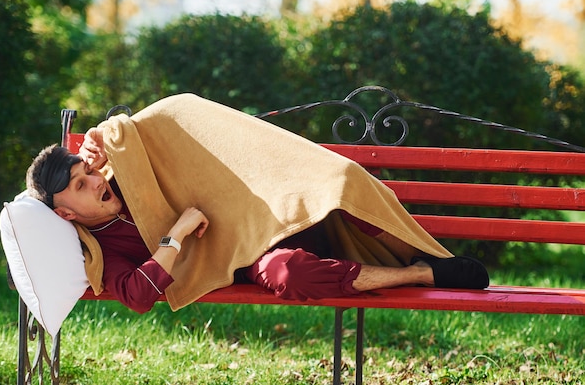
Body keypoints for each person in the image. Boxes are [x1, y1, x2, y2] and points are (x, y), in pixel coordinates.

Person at [25, 94, 489, 314]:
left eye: (87, 173)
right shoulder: (96, 250)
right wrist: (176, 235)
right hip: (237, 255)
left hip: (261, 209)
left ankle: (421, 251)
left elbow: (167, 119)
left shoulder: (122, 170)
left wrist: (110, 135)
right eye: (81, 187)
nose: (95, 183)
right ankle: (423, 273)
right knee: (292, 275)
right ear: (64, 214)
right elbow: (136, 295)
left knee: (339, 182)